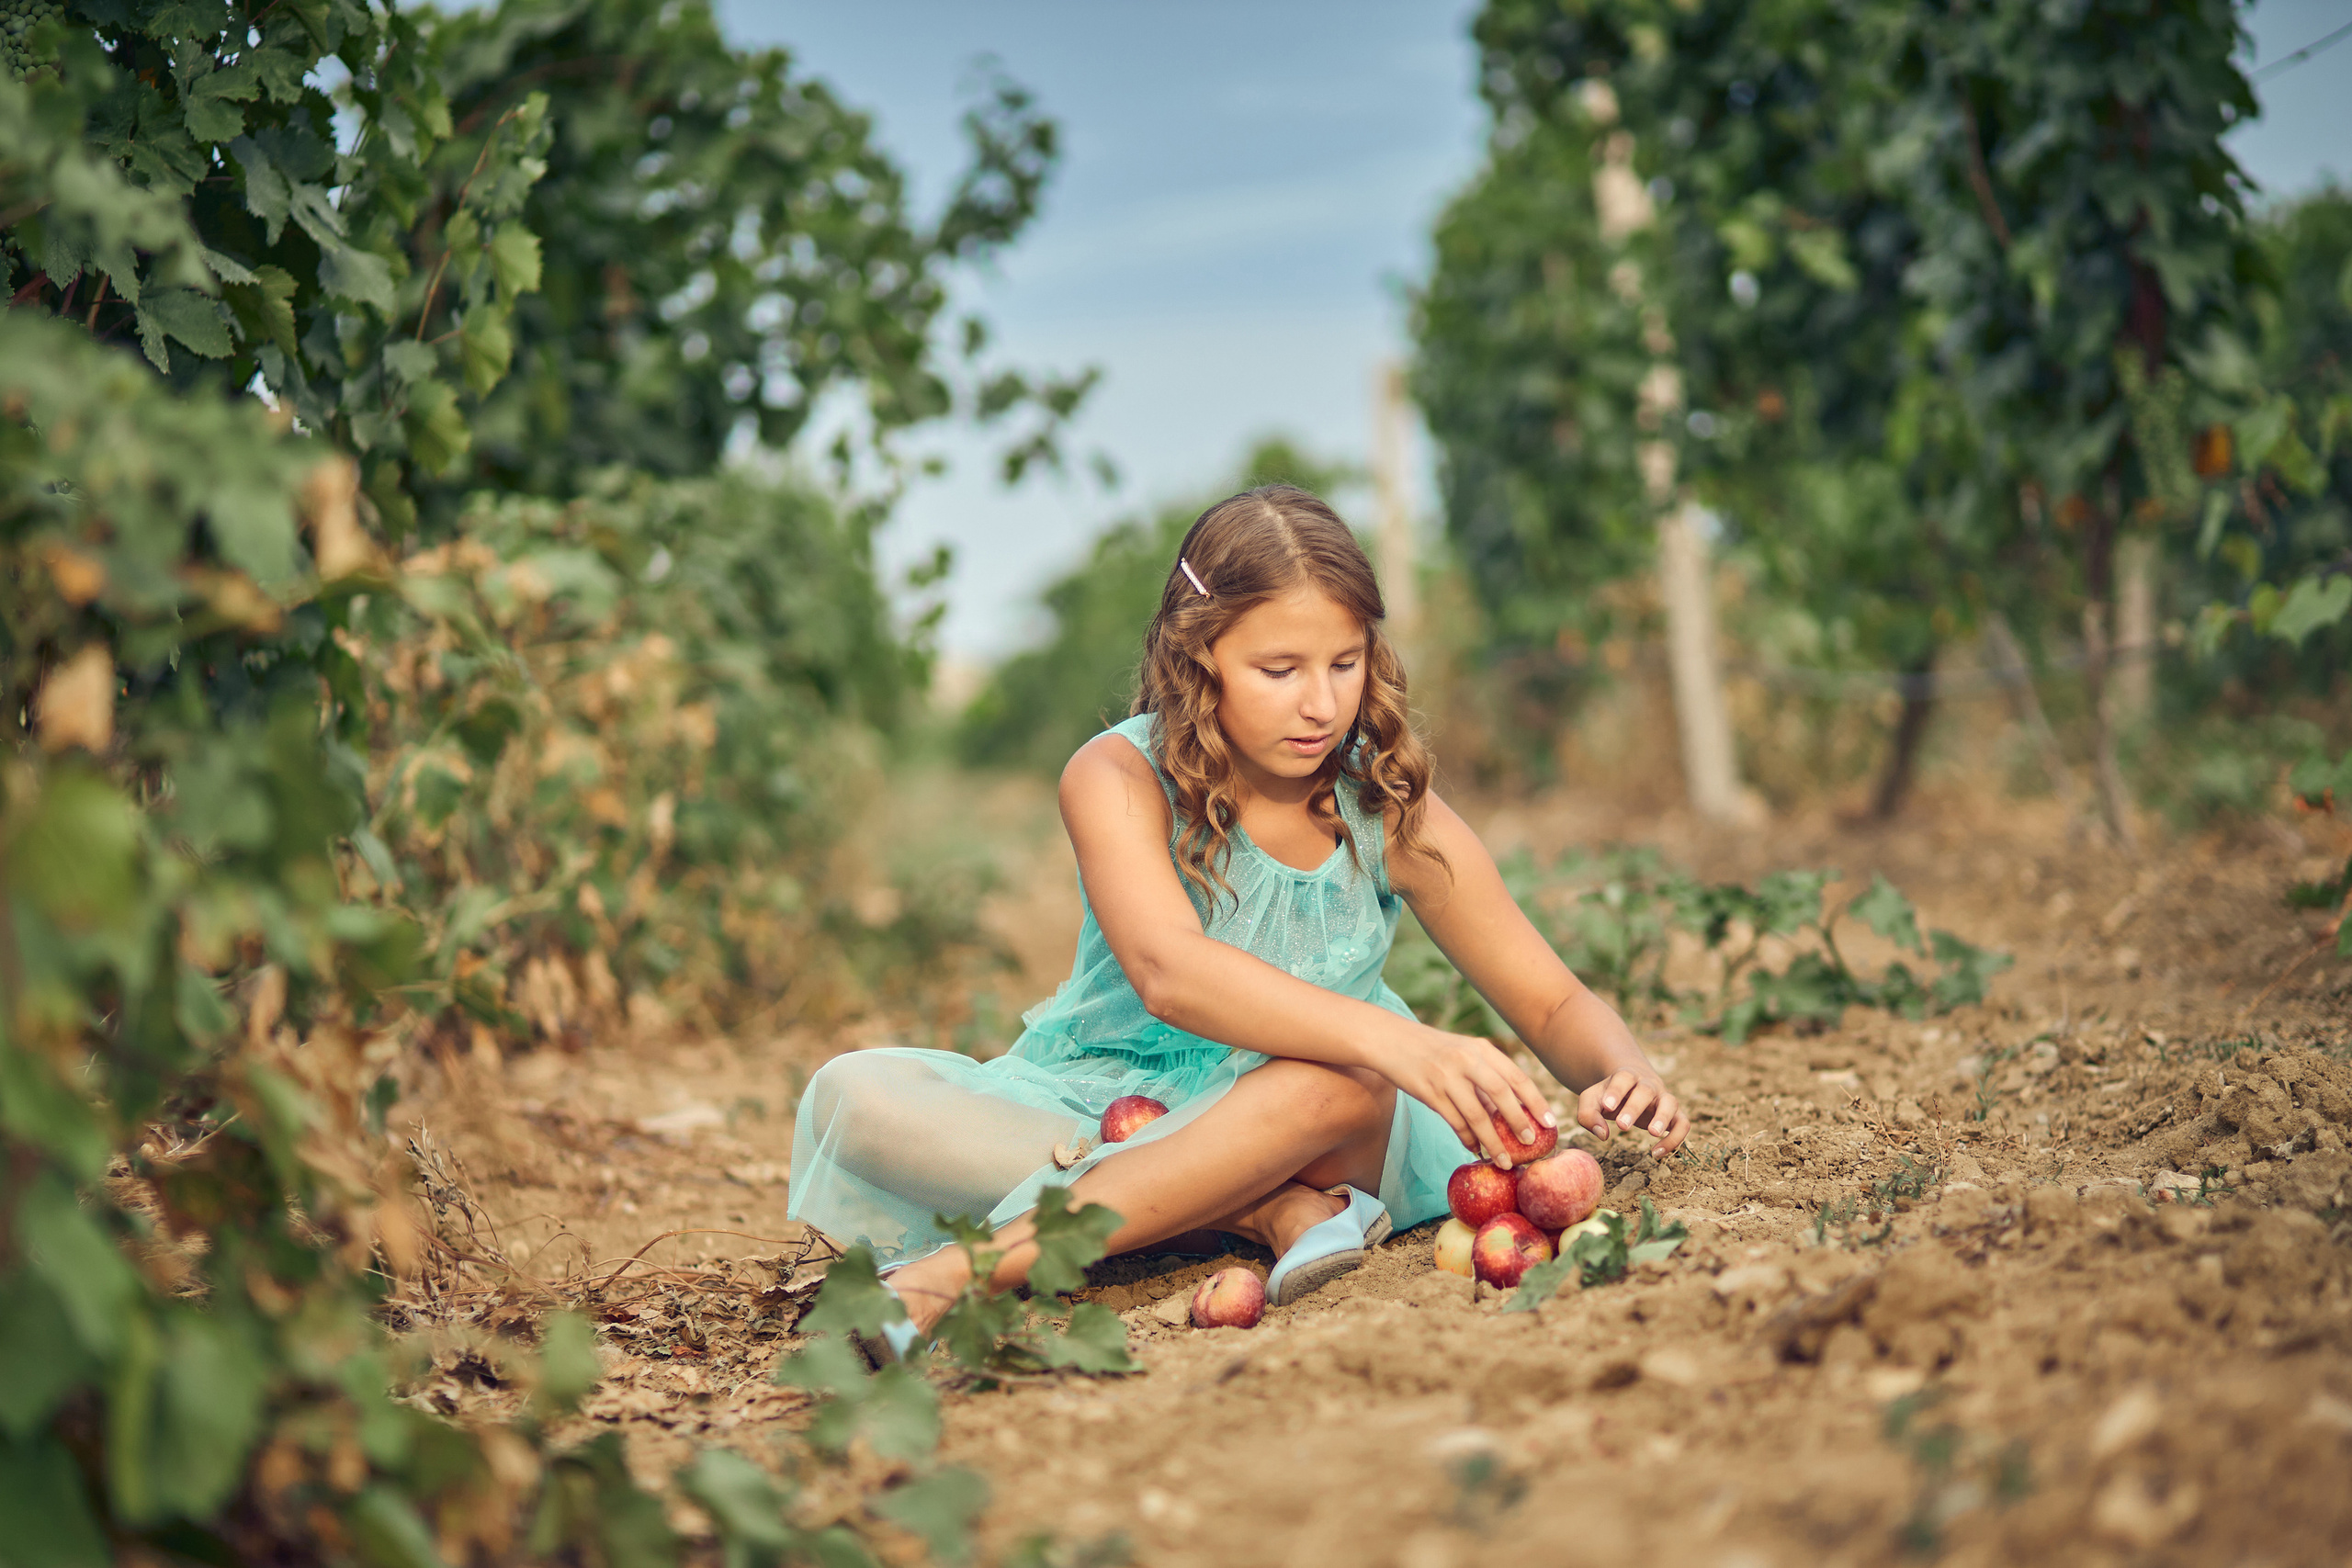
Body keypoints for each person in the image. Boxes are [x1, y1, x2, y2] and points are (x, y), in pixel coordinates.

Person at [787, 483, 1689, 1355]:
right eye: (1279, 670)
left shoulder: (1384, 801)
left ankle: (959, 1273)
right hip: (1108, 1102)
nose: (1321, 703)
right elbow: (1168, 973)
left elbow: (1550, 1003)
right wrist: (1401, 1039)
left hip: (1320, 1117)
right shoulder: (1117, 777)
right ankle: (1262, 1210)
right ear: (1199, 654)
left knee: (1342, 1078)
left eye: (1344, 664)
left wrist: (1625, 1072)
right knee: (852, 1099)